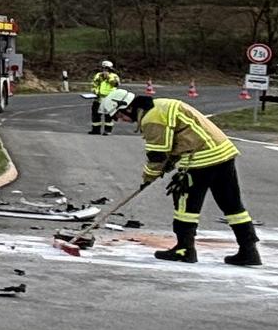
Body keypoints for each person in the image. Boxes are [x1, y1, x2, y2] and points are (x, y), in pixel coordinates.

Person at [106, 89, 260, 266]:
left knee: (185, 205)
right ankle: (249, 250)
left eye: (117, 115)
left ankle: (184, 249)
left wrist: (148, 177)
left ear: (126, 107)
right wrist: (170, 163)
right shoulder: (161, 105)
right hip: (223, 153)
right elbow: (178, 138)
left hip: (201, 158)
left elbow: (157, 155)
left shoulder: (152, 119)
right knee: (231, 204)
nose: (119, 120)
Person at [89, 60, 121, 134]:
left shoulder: (114, 76)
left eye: (106, 68)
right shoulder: (98, 75)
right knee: (95, 114)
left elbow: (116, 84)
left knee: (108, 115)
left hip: (109, 98)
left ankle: (107, 130)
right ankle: (95, 130)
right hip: (98, 97)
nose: (104, 70)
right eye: (103, 68)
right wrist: (95, 92)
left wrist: (108, 77)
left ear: (110, 69)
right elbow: (94, 85)